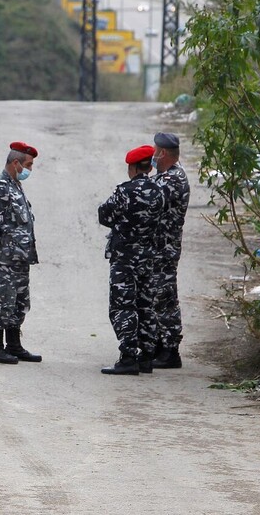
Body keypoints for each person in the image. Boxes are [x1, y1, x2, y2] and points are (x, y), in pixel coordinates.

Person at [98, 145, 167, 375]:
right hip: (148, 258)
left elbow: (104, 215)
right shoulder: (159, 191)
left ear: (134, 167)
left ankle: (128, 357)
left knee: (123, 306)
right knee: (146, 305)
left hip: (125, 259)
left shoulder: (125, 191)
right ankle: (146, 357)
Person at [0, 141, 42, 364]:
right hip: (5, 257)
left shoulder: (15, 185)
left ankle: (14, 345)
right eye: (28, 164)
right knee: (1, 301)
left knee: (18, 301)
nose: (30, 169)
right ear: (15, 163)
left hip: (19, 257)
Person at [151, 132, 190, 369]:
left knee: (164, 298)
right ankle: (159, 345)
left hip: (164, 250)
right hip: (160, 248)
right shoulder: (167, 175)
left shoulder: (172, 179)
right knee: (157, 296)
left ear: (163, 153)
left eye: (155, 151)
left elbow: (149, 201)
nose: (152, 156)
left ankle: (170, 350)